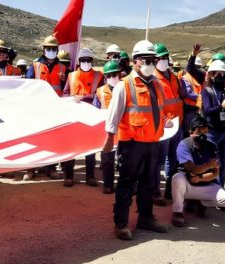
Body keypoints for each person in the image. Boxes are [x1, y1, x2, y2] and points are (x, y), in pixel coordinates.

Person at [102, 40, 169, 241]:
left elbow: (159, 110)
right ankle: (121, 224)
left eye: (152, 60)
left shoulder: (156, 84)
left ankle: (146, 218)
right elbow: (113, 114)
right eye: (146, 60)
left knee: (148, 183)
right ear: (135, 61)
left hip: (152, 142)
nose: (150, 63)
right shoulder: (125, 85)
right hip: (132, 144)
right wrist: (109, 138)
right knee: (127, 184)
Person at [171, 115, 225, 227]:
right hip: (187, 184)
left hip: (204, 183)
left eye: (205, 132)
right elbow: (192, 168)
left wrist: (200, 177)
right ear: (191, 132)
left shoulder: (211, 146)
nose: (203, 135)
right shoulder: (184, 144)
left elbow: (216, 173)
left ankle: (200, 202)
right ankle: (177, 212)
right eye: (200, 132)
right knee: (177, 178)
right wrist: (208, 165)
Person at [24, 35, 66, 180]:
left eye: (54, 49)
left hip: (55, 109)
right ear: (43, 50)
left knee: (52, 139)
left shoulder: (62, 67)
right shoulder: (35, 66)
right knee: (34, 138)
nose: (51, 51)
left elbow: (65, 88)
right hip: (37, 108)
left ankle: (51, 168)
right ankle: (30, 170)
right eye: (48, 48)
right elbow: (27, 86)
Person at [62, 47, 101, 187]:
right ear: (79, 61)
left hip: (91, 115)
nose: (86, 62)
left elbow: (101, 94)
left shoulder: (98, 76)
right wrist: (72, 98)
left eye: (88, 60)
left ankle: (90, 176)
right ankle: (68, 176)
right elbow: (65, 92)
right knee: (70, 146)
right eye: (83, 60)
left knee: (91, 147)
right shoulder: (71, 76)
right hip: (74, 115)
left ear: (92, 61)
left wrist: (84, 97)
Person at [153, 43, 186, 202]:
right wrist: (165, 121)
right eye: (159, 58)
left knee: (174, 159)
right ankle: (155, 192)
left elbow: (179, 96)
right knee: (159, 160)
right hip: (164, 127)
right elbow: (153, 105)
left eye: (165, 57)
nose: (163, 60)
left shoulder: (173, 76)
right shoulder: (153, 78)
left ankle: (169, 190)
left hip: (177, 124)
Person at [201, 58, 225, 187]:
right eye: (218, 74)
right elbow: (207, 111)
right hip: (212, 132)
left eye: (223, 73)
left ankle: (220, 189)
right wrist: (221, 106)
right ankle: (210, 189)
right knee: (212, 163)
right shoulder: (207, 91)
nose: (221, 76)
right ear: (211, 75)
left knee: (224, 164)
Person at [95, 60, 122, 194]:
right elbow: (95, 110)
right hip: (106, 131)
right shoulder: (100, 91)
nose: (112, 78)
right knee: (107, 158)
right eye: (109, 75)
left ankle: (122, 185)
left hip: (124, 130)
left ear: (119, 74)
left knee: (123, 160)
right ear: (105, 77)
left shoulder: (125, 88)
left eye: (114, 74)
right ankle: (108, 184)